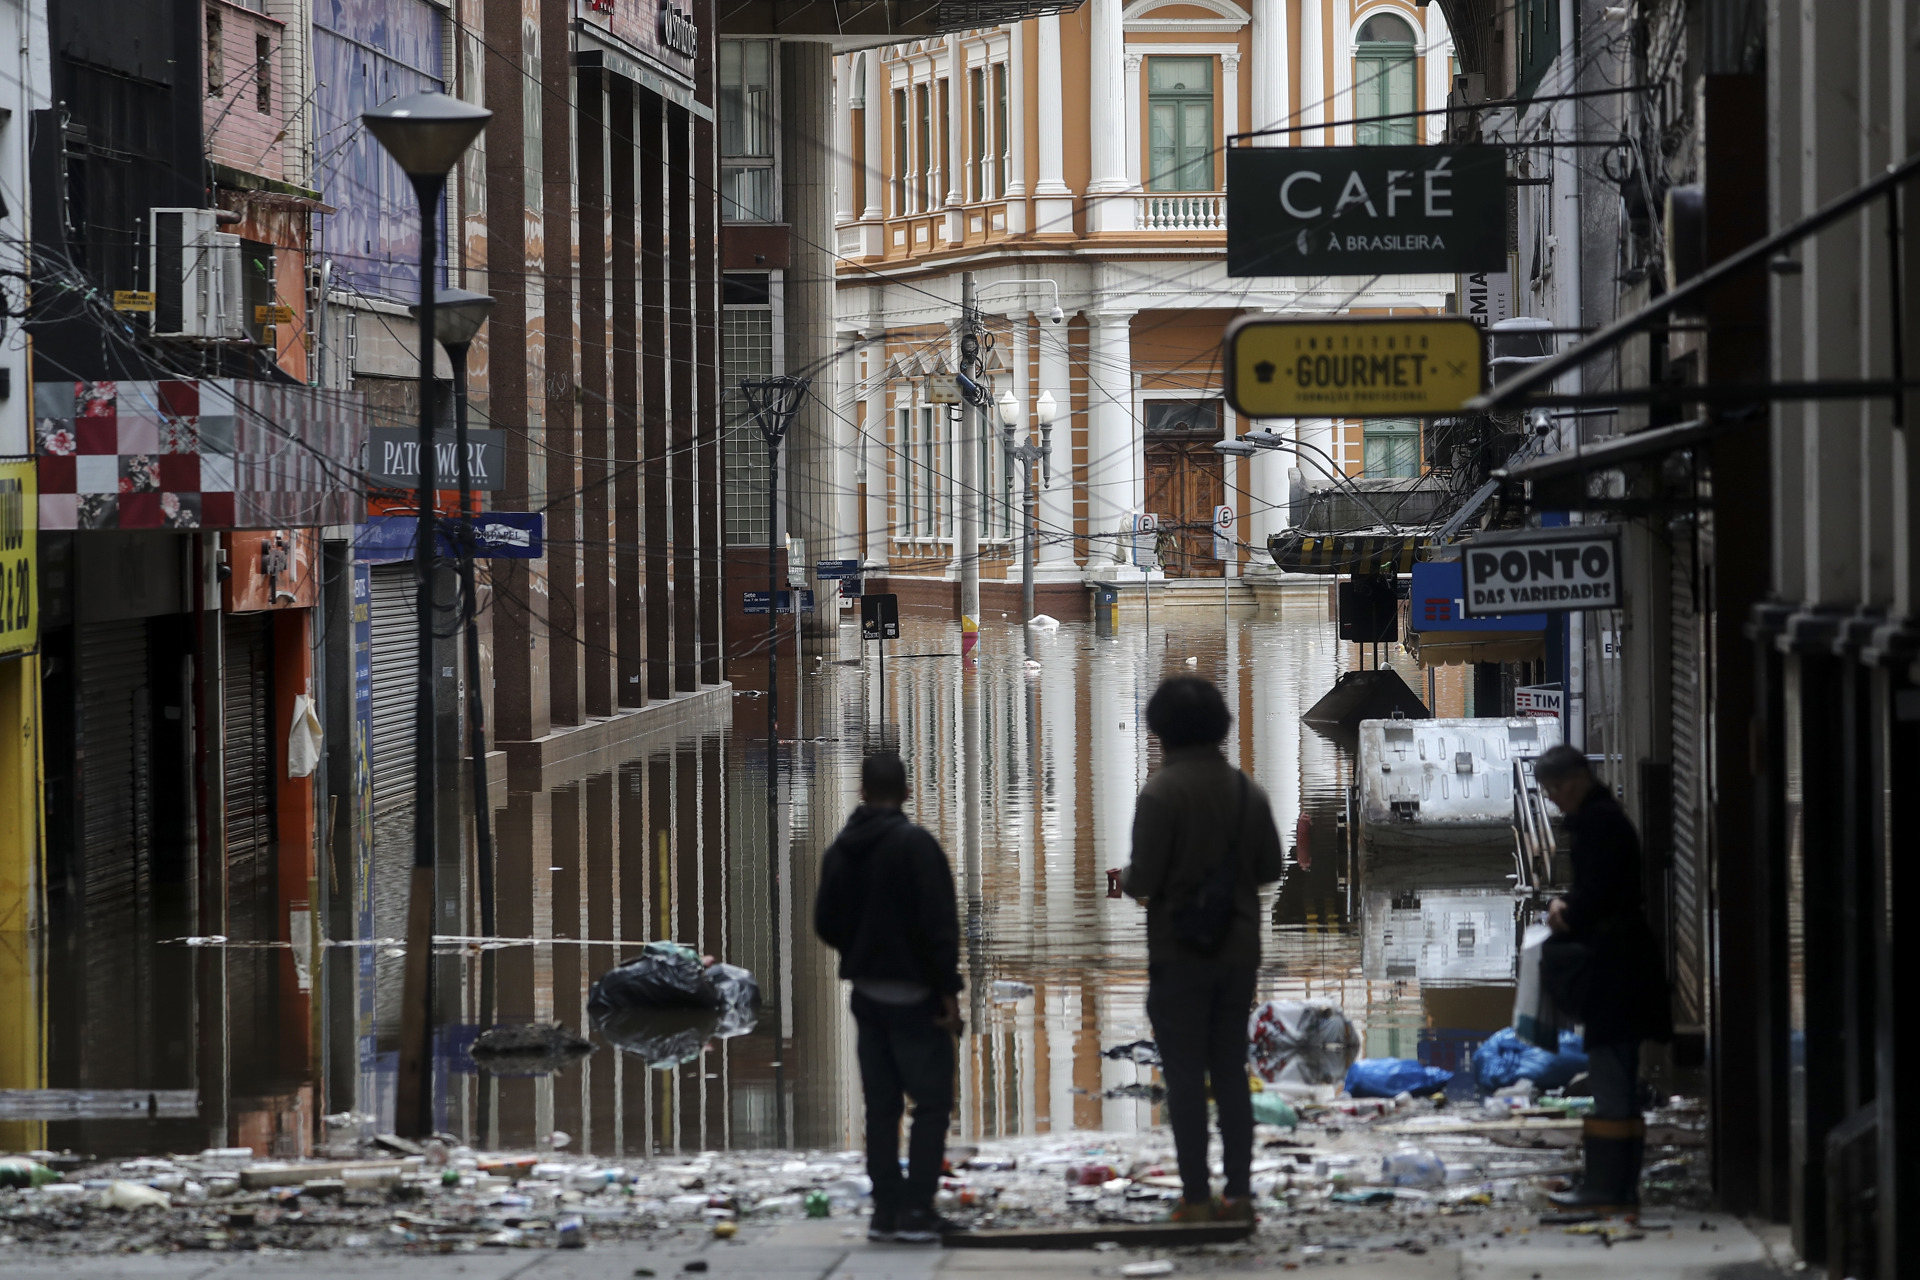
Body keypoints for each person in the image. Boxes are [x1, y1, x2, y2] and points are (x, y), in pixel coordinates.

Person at [1116, 676, 1284, 1224]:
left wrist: (1137, 878)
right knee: (1231, 1071)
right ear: (1221, 727)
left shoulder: (1160, 794)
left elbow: (1143, 880)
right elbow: (1269, 869)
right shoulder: (1247, 791)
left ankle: (1195, 1197)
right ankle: (1239, 1195)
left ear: (1161, 731)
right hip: (1237, 953)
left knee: (1185, 1076)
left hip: (1178, 954)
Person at [813, 752, 964, 1244]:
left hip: (867, 994)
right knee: (932, 1101)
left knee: (881, 1106)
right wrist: (948, 993)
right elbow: (940, 927)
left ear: (862, 792)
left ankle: (885, 1210)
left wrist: (861, 952)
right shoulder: (917, 847)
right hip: (915, 995)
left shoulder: (840, 850)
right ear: (905, 793)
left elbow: (825, 923)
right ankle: (917, 1208)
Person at [1533, 744, 1672, 1215]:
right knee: (1620, 1078)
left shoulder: (1597, 824)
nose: (1553, 800)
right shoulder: (1606, 817)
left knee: (1611, 1077)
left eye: (1553, 791)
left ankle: (1606, 1191)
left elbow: (1594, 895)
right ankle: (1618, 1188)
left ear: (1572, 782)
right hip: (1627, 964)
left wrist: (1563, 913)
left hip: (1616, 970)